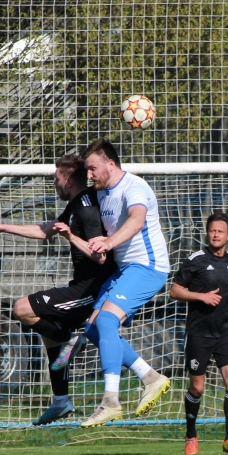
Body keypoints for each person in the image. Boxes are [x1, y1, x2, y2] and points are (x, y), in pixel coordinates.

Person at [0, 154, 116, 425]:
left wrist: (72, 237)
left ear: (69, 178)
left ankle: (70, 339)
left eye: (56, 178)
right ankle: (61, 400)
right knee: (48, 330)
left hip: (91, 290)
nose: (54, 183)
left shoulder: (87, 208)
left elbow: (101, 257)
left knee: (21, 308)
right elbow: (44, 230)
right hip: (80, 287)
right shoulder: (75, 205)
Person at [76, 139, 173, 428]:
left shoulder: (135, 187)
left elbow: (137, 221)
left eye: (92, 168)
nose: (89, 175)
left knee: (106, 322)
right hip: (125, 270)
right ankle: (150, 377)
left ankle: (110, 402)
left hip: (147, 267)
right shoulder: (101, 194)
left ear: (111, 163)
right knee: (93, 328)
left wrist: (108, 241)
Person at [169, 213, 228, 455]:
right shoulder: (196, 260)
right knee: (198, 388)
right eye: (212, 230)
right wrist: (201, 296)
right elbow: (175, 291)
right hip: (199, 332)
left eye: (220, 231)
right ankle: (191, 436)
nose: (215, 234)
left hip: (226, 330)